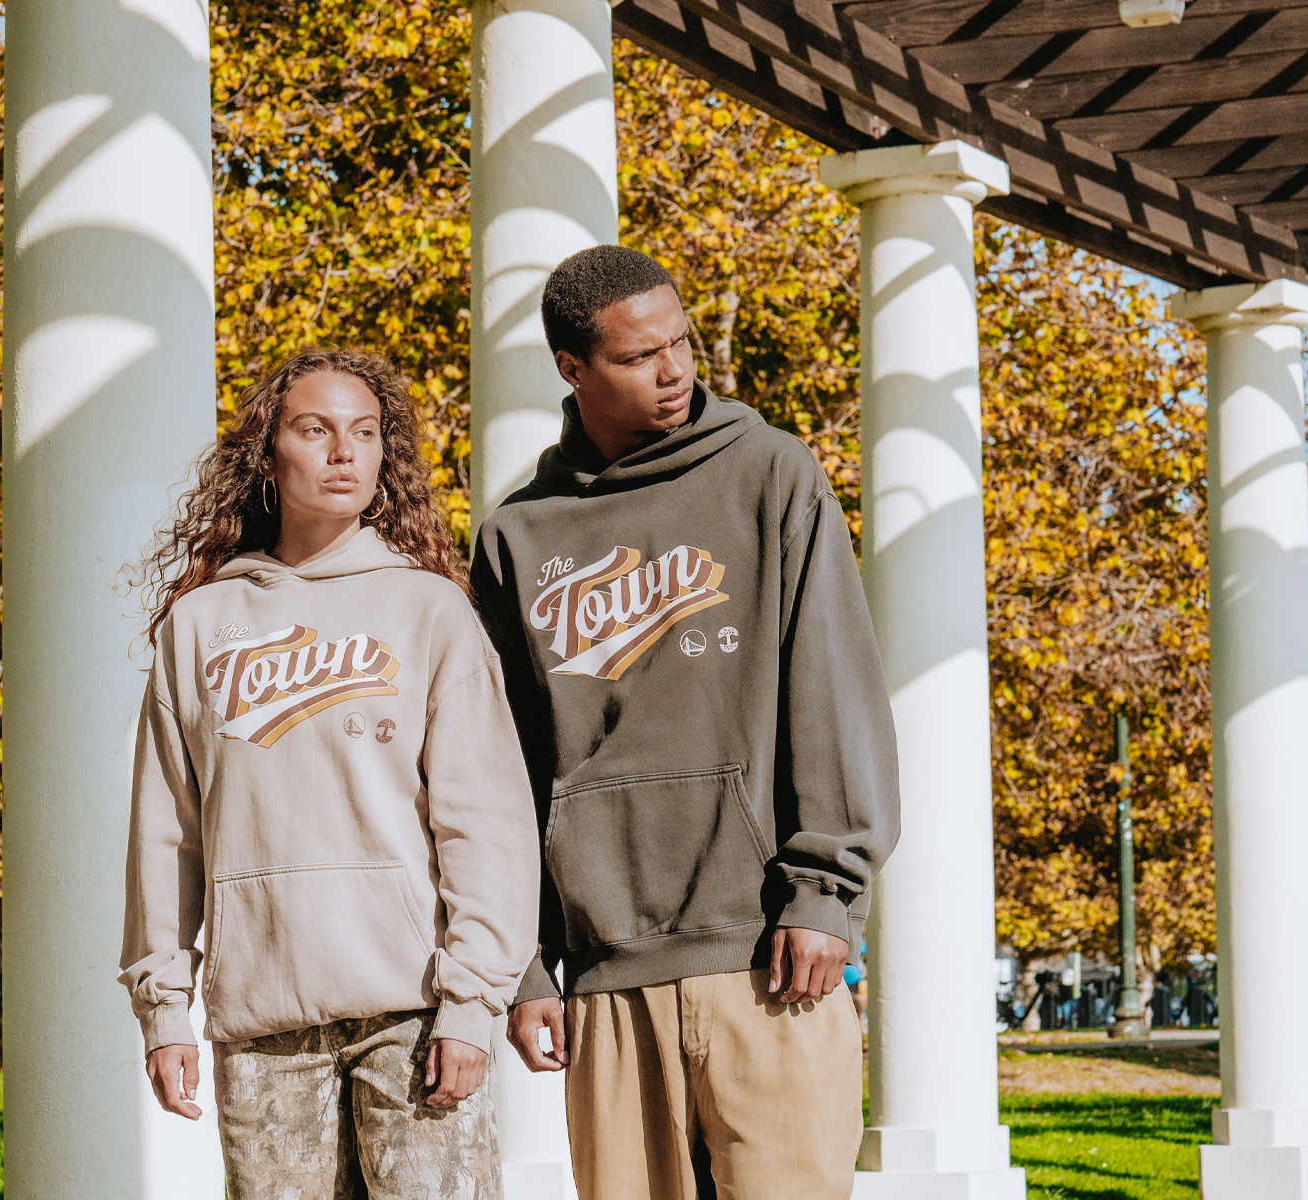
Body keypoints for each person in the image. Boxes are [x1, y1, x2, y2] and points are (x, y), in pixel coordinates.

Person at [472, 244, 900, 1200]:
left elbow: (832, 692)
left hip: (769, 957)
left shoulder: (772, 475)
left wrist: (826, 894)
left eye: (682, 343)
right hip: (606, 971)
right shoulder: (518, 535)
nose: (673, 372)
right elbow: (507, 768)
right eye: (638, 357)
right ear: (572, 369)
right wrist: (526, 963)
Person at [120, 348, 544, 1197]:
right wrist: (166, 1011)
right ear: (269, 458)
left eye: (364, 432)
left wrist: (472, 1003)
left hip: (419, 1014)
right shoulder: (200, 627)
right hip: (264, 1022)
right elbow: (167, 833)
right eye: (314, 431)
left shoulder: (431, 611)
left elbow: (486, 822)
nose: (343, 452)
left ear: (387, 456)